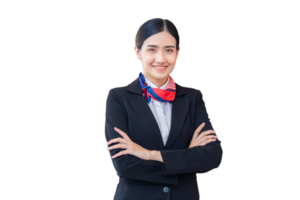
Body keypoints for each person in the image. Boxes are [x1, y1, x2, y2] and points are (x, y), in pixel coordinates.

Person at [103, 17, 224, 200]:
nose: (161, 59)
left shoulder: (194, 98)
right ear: (137, 51)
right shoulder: (118, 97)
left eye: (168, 50)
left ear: (178, 52)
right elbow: (123, 165)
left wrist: (149, 154)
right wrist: (187, 157)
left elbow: (213, 157)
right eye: (152, 49)